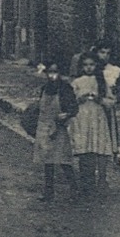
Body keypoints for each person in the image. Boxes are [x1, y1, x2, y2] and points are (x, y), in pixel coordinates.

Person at [69, 51, 113, 199]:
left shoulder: (101, 81)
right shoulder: (77, 82)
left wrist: (99, 99)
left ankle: (100, 182)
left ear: (96, 65)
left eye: (91, 65)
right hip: (82, 117)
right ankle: (86, 184)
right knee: (84, 150)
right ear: (81, 66)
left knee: (97, 148)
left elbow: (110, 102)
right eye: (85, 65)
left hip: (97, 117)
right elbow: (68, 102)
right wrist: (78, 99)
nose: (88, 68)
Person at [33, 61, 79, 203]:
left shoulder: (65, 88)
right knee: (47, 161)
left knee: (64, 160)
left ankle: (74, 190)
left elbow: (74, 108)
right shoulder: (45, 88)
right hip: (44, 127)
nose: (52, 76)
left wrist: (66, 114)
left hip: (58, 128)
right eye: (50, 72)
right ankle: (48, 192)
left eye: (55, 72)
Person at [92, 39, 120, 156]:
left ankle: (108, 153)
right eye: (102, 52)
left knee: (108, 129)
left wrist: (116, 98)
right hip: (92, 104)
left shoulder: (115, 70)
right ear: (96, 52)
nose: (105, 56)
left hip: (108, 106)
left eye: (108, 53)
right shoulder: (90, 67)